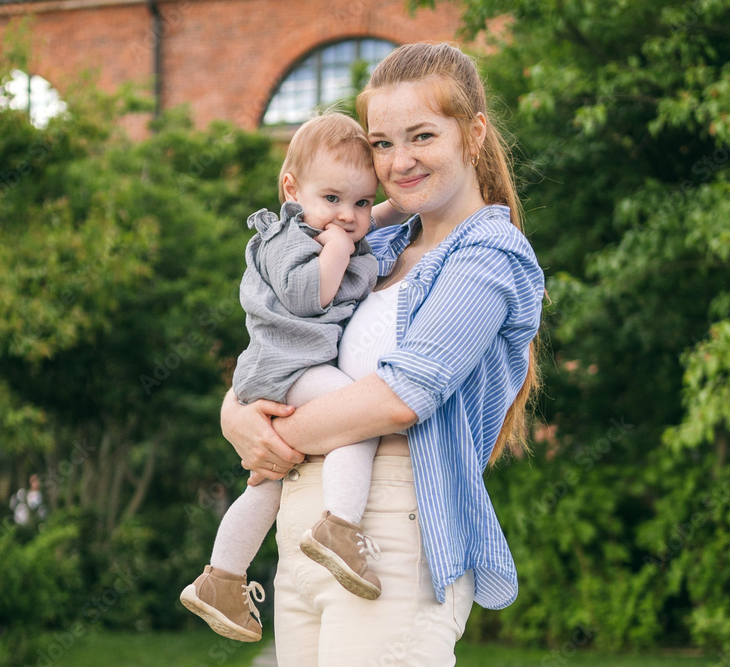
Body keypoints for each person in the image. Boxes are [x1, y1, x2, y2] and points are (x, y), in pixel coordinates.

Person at [219, 42, 546, 665]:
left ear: (473, 134)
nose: (399, 162)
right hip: (303, 525)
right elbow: (277, 343)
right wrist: (235, 415)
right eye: (383, 143)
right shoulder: (375, 244)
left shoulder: (489, 257)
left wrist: (275, 435)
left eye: (422, 136)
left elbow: (401, 398)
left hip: (394, 533)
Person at [180, 112, 409, 643]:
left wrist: (399, 204)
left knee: (269, 480)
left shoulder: (332, 225)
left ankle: (221, 579)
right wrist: (336, 248)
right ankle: (340, 528)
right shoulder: (288, 237)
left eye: (360, 201)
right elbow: (310, 295)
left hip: (284, 372)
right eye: (332, 199)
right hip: (290, 369)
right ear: (291, 188)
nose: (348, 217)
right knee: (358, 420)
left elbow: (369, 213)